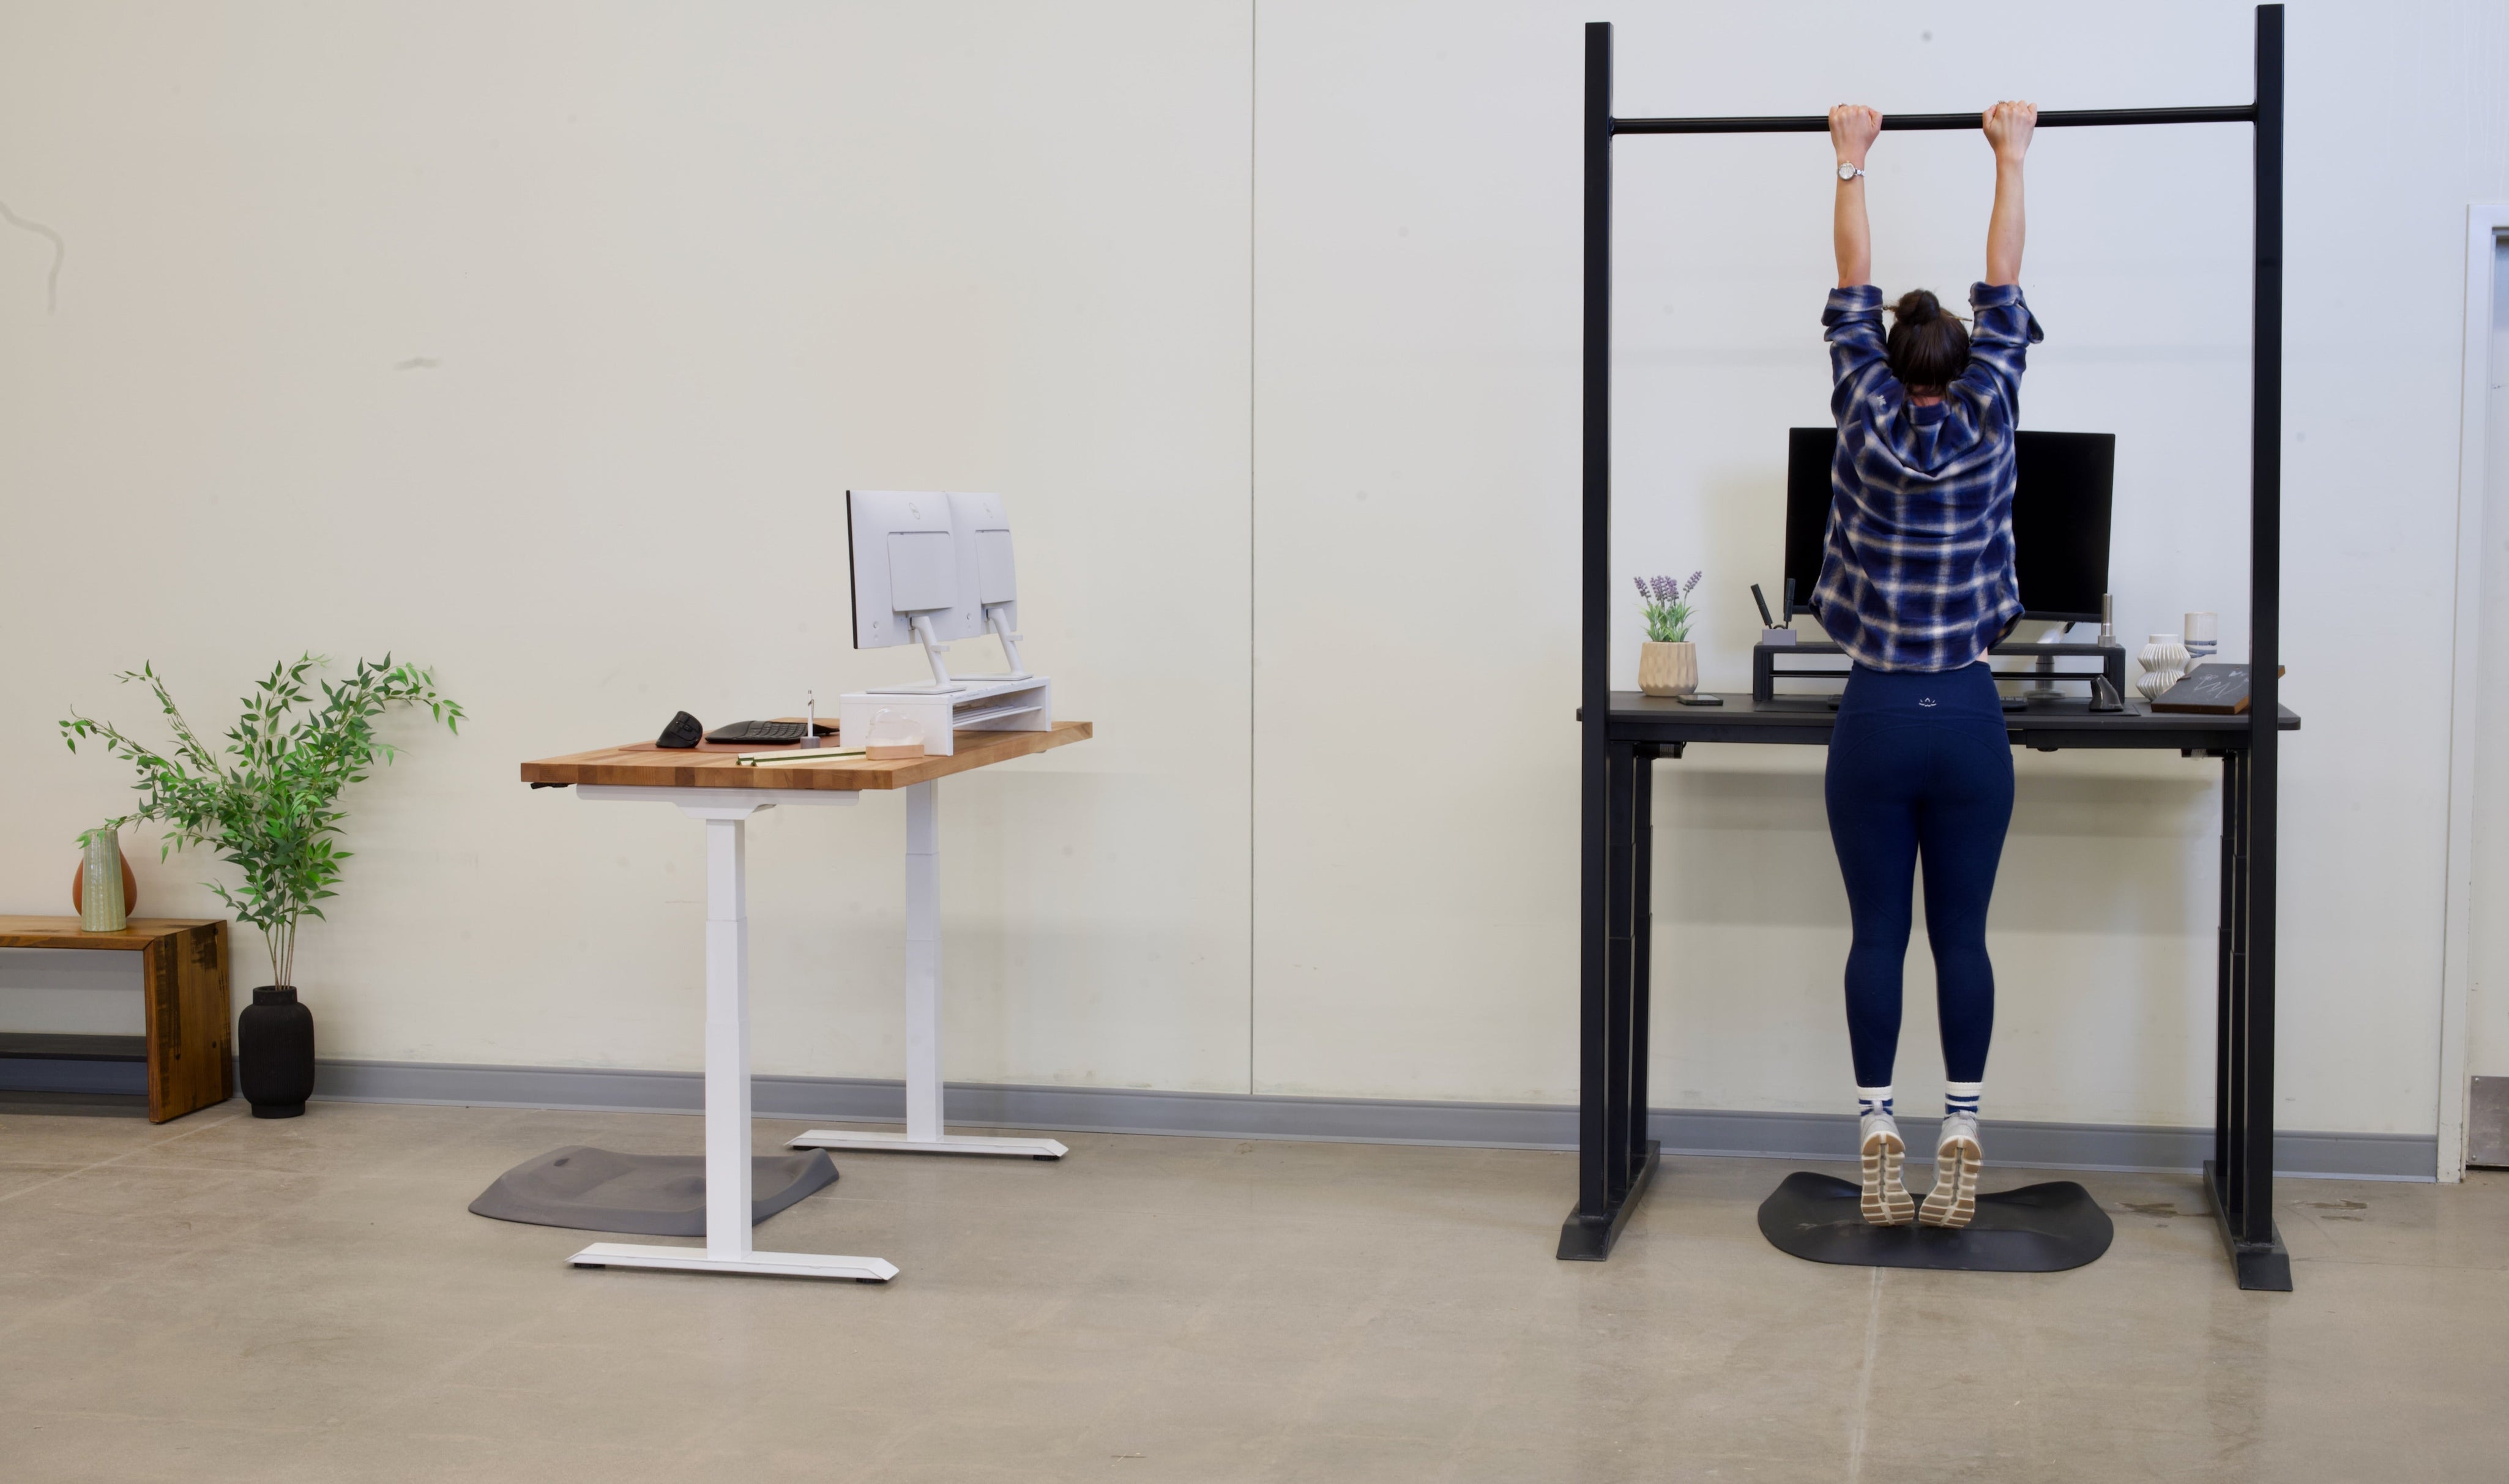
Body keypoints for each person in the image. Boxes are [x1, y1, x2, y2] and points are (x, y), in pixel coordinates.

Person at [1816, 99, 2038, 1229]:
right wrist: (2010, 154)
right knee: (1962, 934)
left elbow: (1853, 279)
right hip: (1970, 718)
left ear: (1889, 358)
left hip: (1876, 717)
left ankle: (1876, 1122)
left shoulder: (1860, 404)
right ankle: (1960, 1122)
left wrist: (1853, 161)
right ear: (1960, 361)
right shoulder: (1994, 407)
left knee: (1877, 935)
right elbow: (2003, 278)